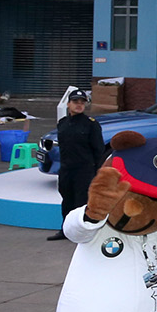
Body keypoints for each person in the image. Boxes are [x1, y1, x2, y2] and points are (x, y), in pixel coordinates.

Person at [50, 89, 104, 241]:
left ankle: (82, 233)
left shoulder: (91, 124)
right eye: (75, 102)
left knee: (82, 202)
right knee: (67, 200)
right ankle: (65, 230)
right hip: (66, 169)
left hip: (84, 170)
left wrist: (96, 171)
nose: (79, 105)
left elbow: (99, 150)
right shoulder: (62, 123)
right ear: (68, 104)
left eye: (82, 102)